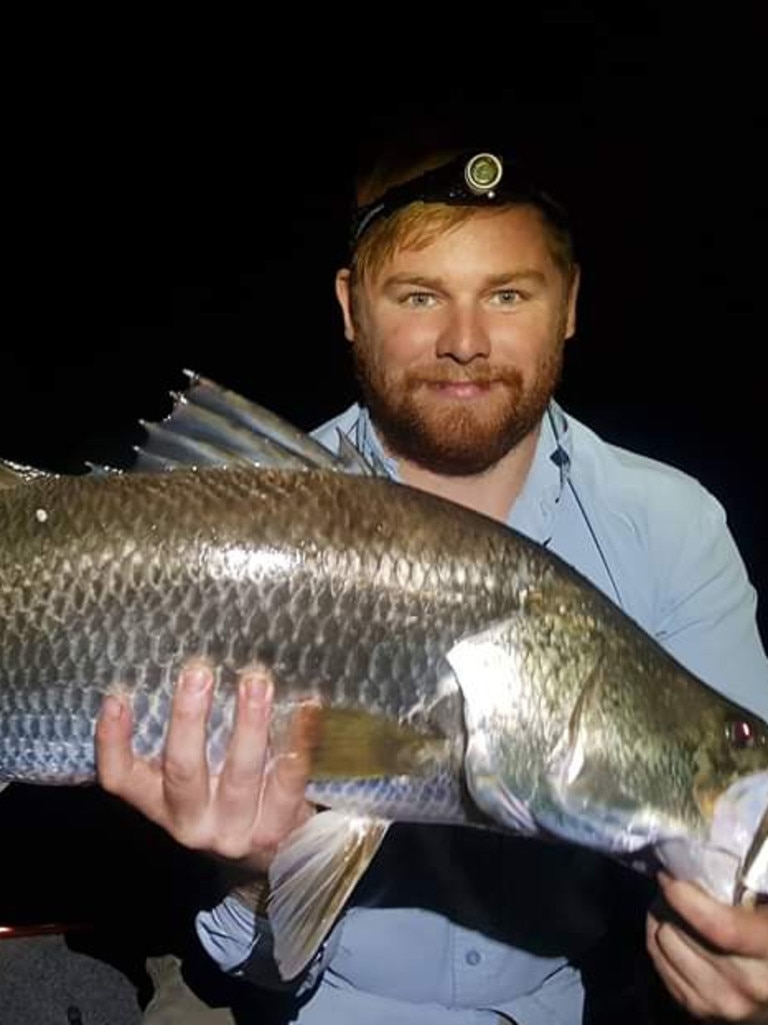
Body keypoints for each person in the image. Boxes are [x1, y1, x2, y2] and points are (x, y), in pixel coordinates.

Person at [96, 143, 768, 1023]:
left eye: (508, 293)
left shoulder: (673, 528)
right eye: (419, 295)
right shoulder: (252, 508)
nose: (464, 342)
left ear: (569, 305)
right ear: (350, 308)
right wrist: (255, 873)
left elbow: (744, 830)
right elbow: (252, 964)